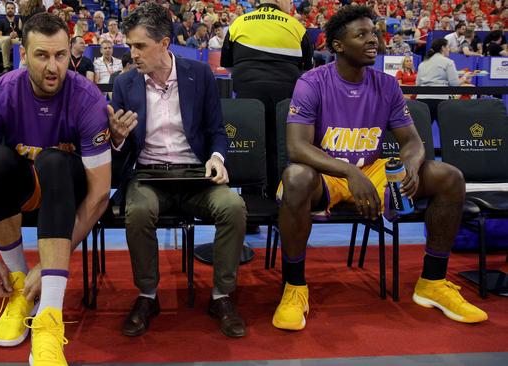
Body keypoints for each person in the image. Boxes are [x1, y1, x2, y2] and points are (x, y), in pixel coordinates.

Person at [273, 6, 487, 332]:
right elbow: (297, 148)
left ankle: (432, 282)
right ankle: (294, 287)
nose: (373, 40)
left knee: (449, 177)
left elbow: (413, 142)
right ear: (338, 45)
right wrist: (350, 173)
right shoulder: (311, 82)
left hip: (372, 170)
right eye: (362, 35)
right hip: (329, 173)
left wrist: (409, 167)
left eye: (374, 33)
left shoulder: (386, 85)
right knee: (295, 177)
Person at [0, 12, 111, 365]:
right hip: (26, 192)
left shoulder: (87, 98)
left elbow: (99, 195)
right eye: (42, 55)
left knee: (53, 161)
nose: (53, 66)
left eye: (61, 55)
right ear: (23, 53)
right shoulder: (0, 94)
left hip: (69, 190)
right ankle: (19, 289)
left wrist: (47, 266)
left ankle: (49, 315)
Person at [110, 2, 247, 339]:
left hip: (194, 175)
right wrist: (117, 139)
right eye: (130, 46)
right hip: (148, 176)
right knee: (138, 212)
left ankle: (221, 296)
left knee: (234, 207)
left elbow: (216, 129)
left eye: (140, 46)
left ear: (165, 43)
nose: (133, 54)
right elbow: (121, 150)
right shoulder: (125, 83)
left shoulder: (198, 75)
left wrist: (216, 158)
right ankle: (147, 296)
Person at [221, 0, 313, 200]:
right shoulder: (295, 25)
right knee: (277, 146)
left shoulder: (239, 22)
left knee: (249, 145)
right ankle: (276, 199)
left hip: (248, 92)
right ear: (280, 2)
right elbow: (307, 69)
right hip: (285, 93)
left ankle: (251, 203)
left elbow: (227, 65)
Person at [416, 38, 471, 123]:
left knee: (422, 132)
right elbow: (454, 83)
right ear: (443, 48)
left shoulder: (423, 64)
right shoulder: (448, 62)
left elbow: (418, 84)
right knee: (446, 131)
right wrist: (464, 77)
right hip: (440, 100)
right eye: (448, 47)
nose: (449, 49)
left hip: (422, 100)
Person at [0, 1, 21, 72]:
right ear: (5, 10)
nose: (10, 10)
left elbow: (22, 35)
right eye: (8, 8)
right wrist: (9, 36)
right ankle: (6, 66)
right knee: (7, 39)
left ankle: (20, 66)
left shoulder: (18, 21)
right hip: (2, 42)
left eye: (12, 8)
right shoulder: (1, 21)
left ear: (15, 10)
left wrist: (17, 35)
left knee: (20, 40)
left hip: (15, 41)